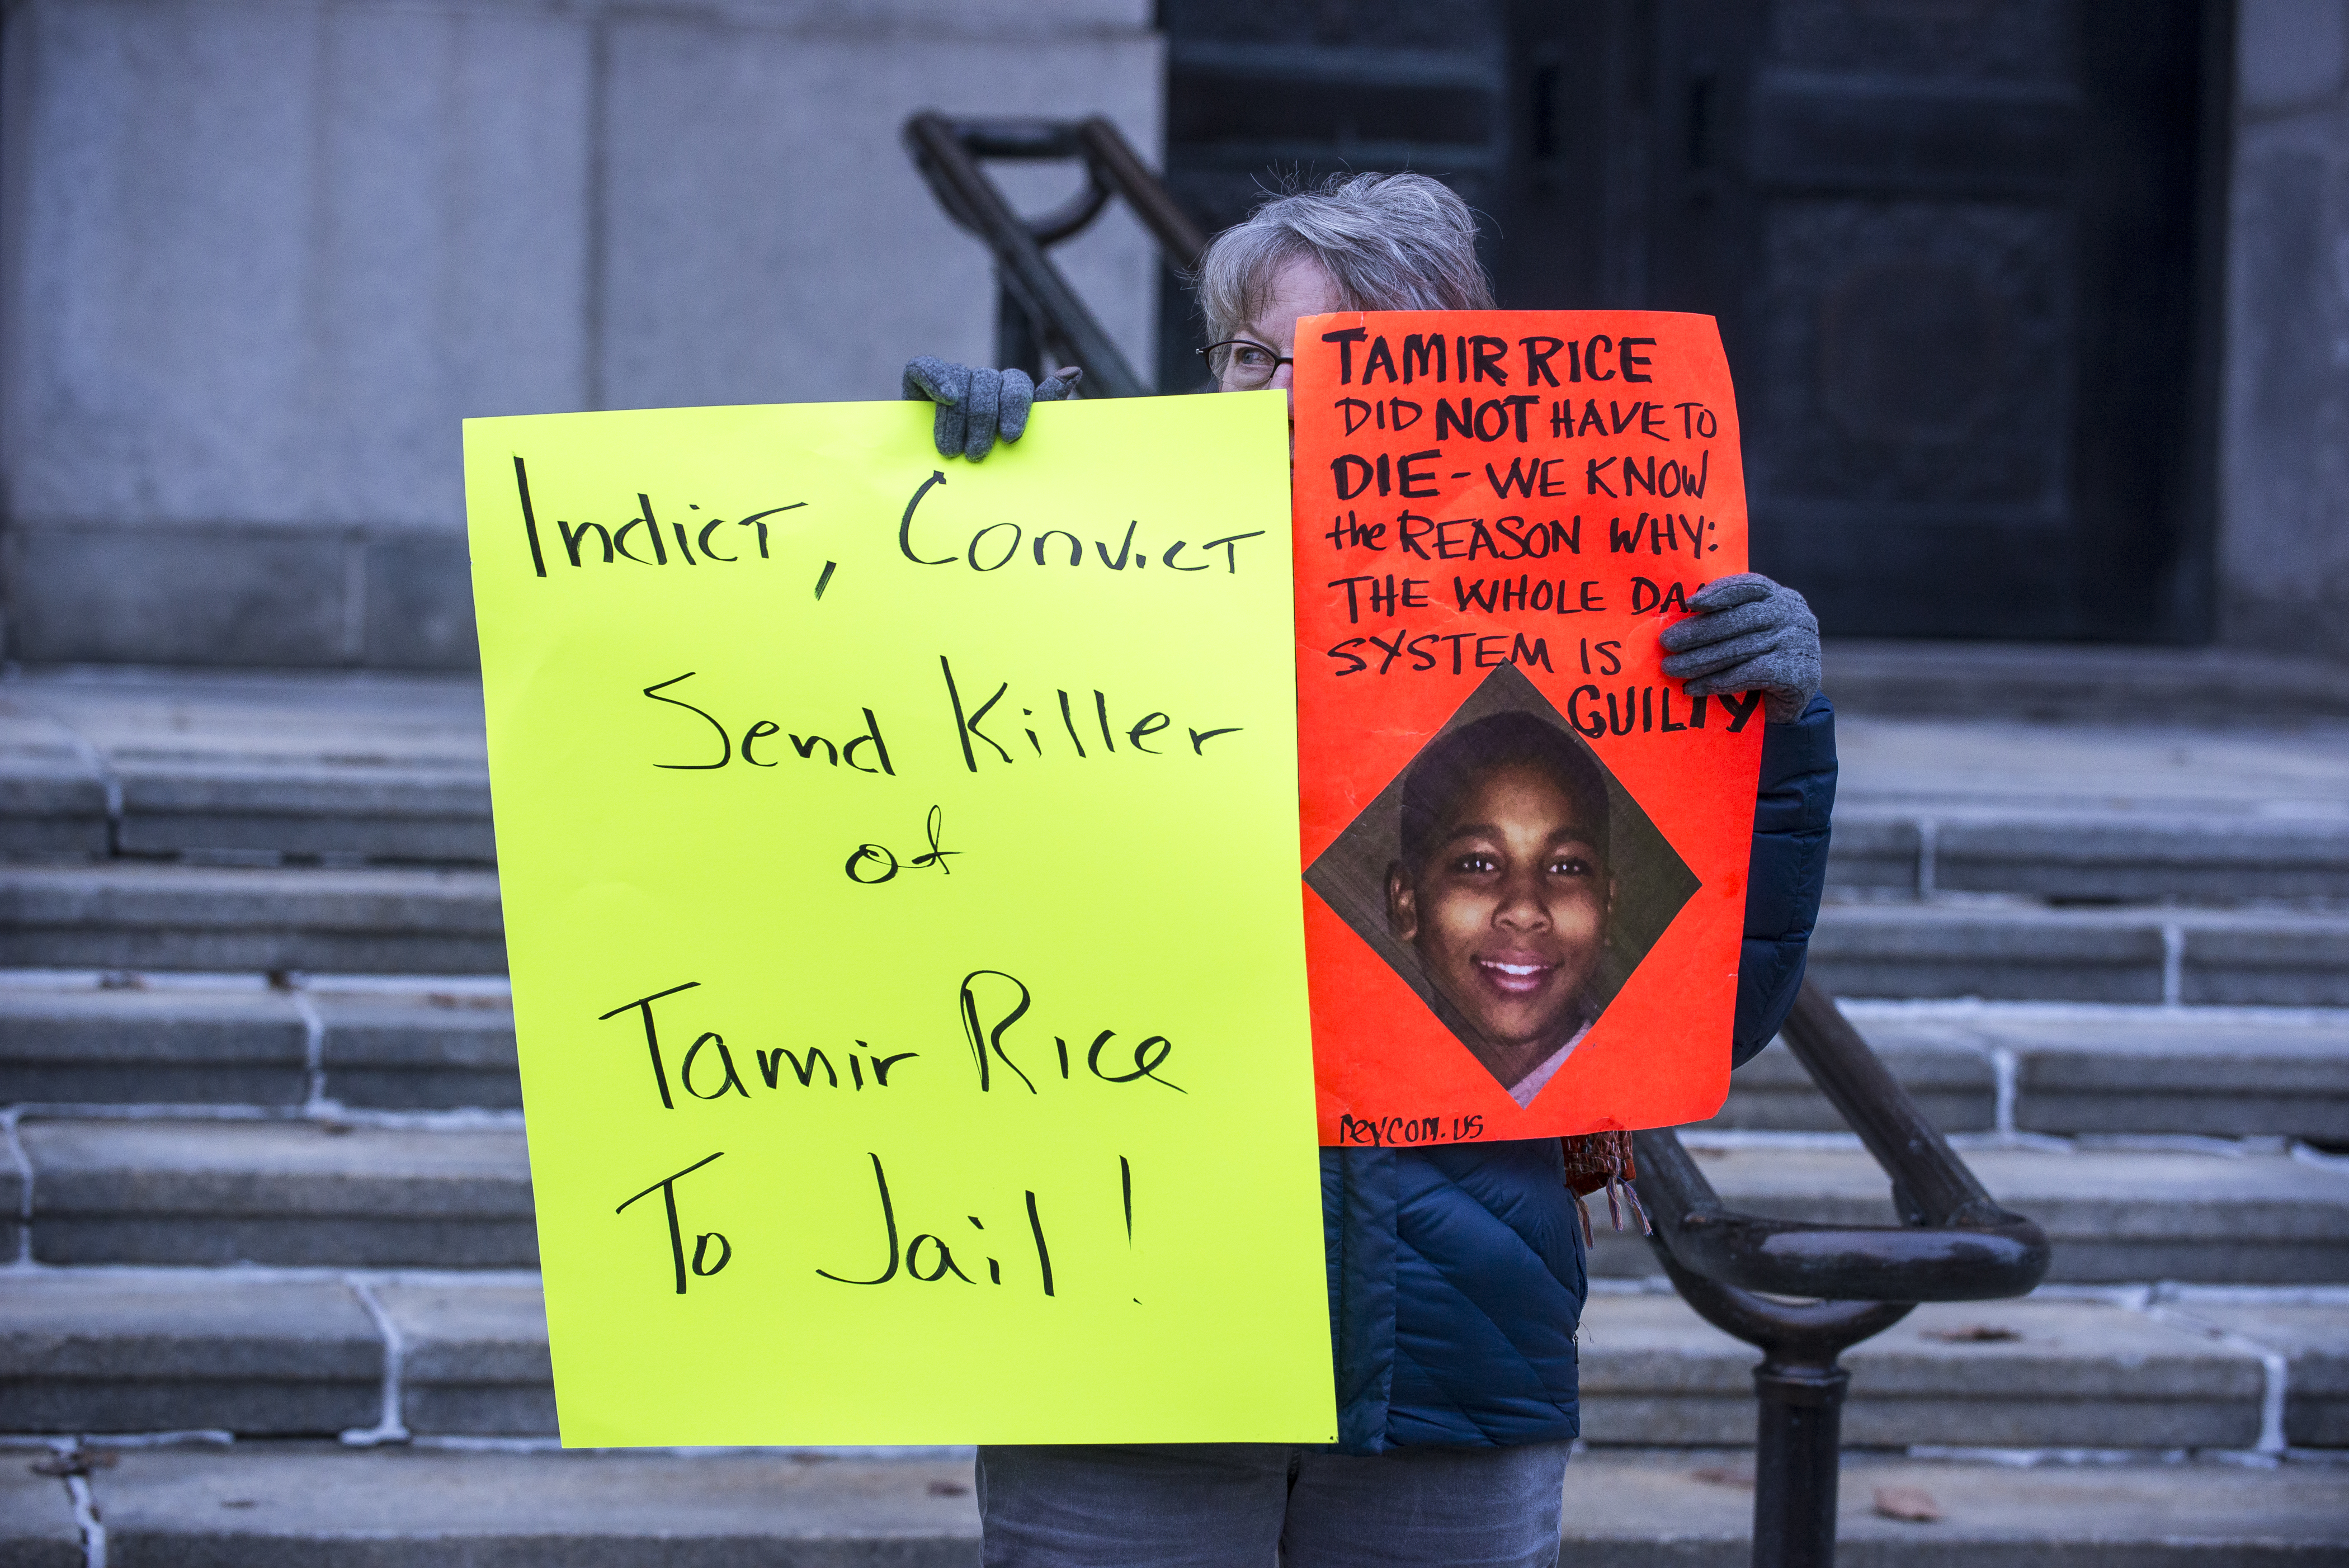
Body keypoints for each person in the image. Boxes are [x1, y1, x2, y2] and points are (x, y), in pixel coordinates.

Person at [904, 172, 1832, 1568]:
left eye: (1349, 363)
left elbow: (1713, 1007)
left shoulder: (1586, 640)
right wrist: (947, 516)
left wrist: (1777, 724)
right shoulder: (1062, 590)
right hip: (1124, 1348)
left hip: (1449, 1376)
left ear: (1462, 393)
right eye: (1252, 355)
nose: (1287, 397)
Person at [1386, 711, 1614, 1106]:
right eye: (1478, 864)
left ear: (1607, 906)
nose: (1524, 911)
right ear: (1406, 902)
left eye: (1566, 867)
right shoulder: (1350, 1093)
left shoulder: (1644, 1100)